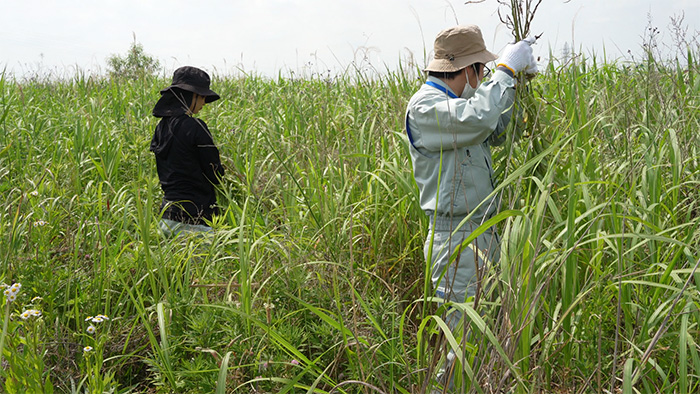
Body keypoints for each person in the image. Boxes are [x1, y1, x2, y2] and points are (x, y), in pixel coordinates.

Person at [404, 25, 537, 391]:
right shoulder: (425, 108)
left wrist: (516, 85)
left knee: (488, 333)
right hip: (456, 240)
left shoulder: (462, 106)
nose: (483, 76)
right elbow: (477, 119)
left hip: (481, 232)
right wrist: (506, 71)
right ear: (467, 69)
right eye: (482, 69)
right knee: (465, 345)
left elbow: (496, 126)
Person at [150, 66, 224, 237]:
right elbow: (215, 174)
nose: (204, 103)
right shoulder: (195, 127)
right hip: (194, 221)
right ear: (192, 95)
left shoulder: (161, 128)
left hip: (167, 219)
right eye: (203, 97)